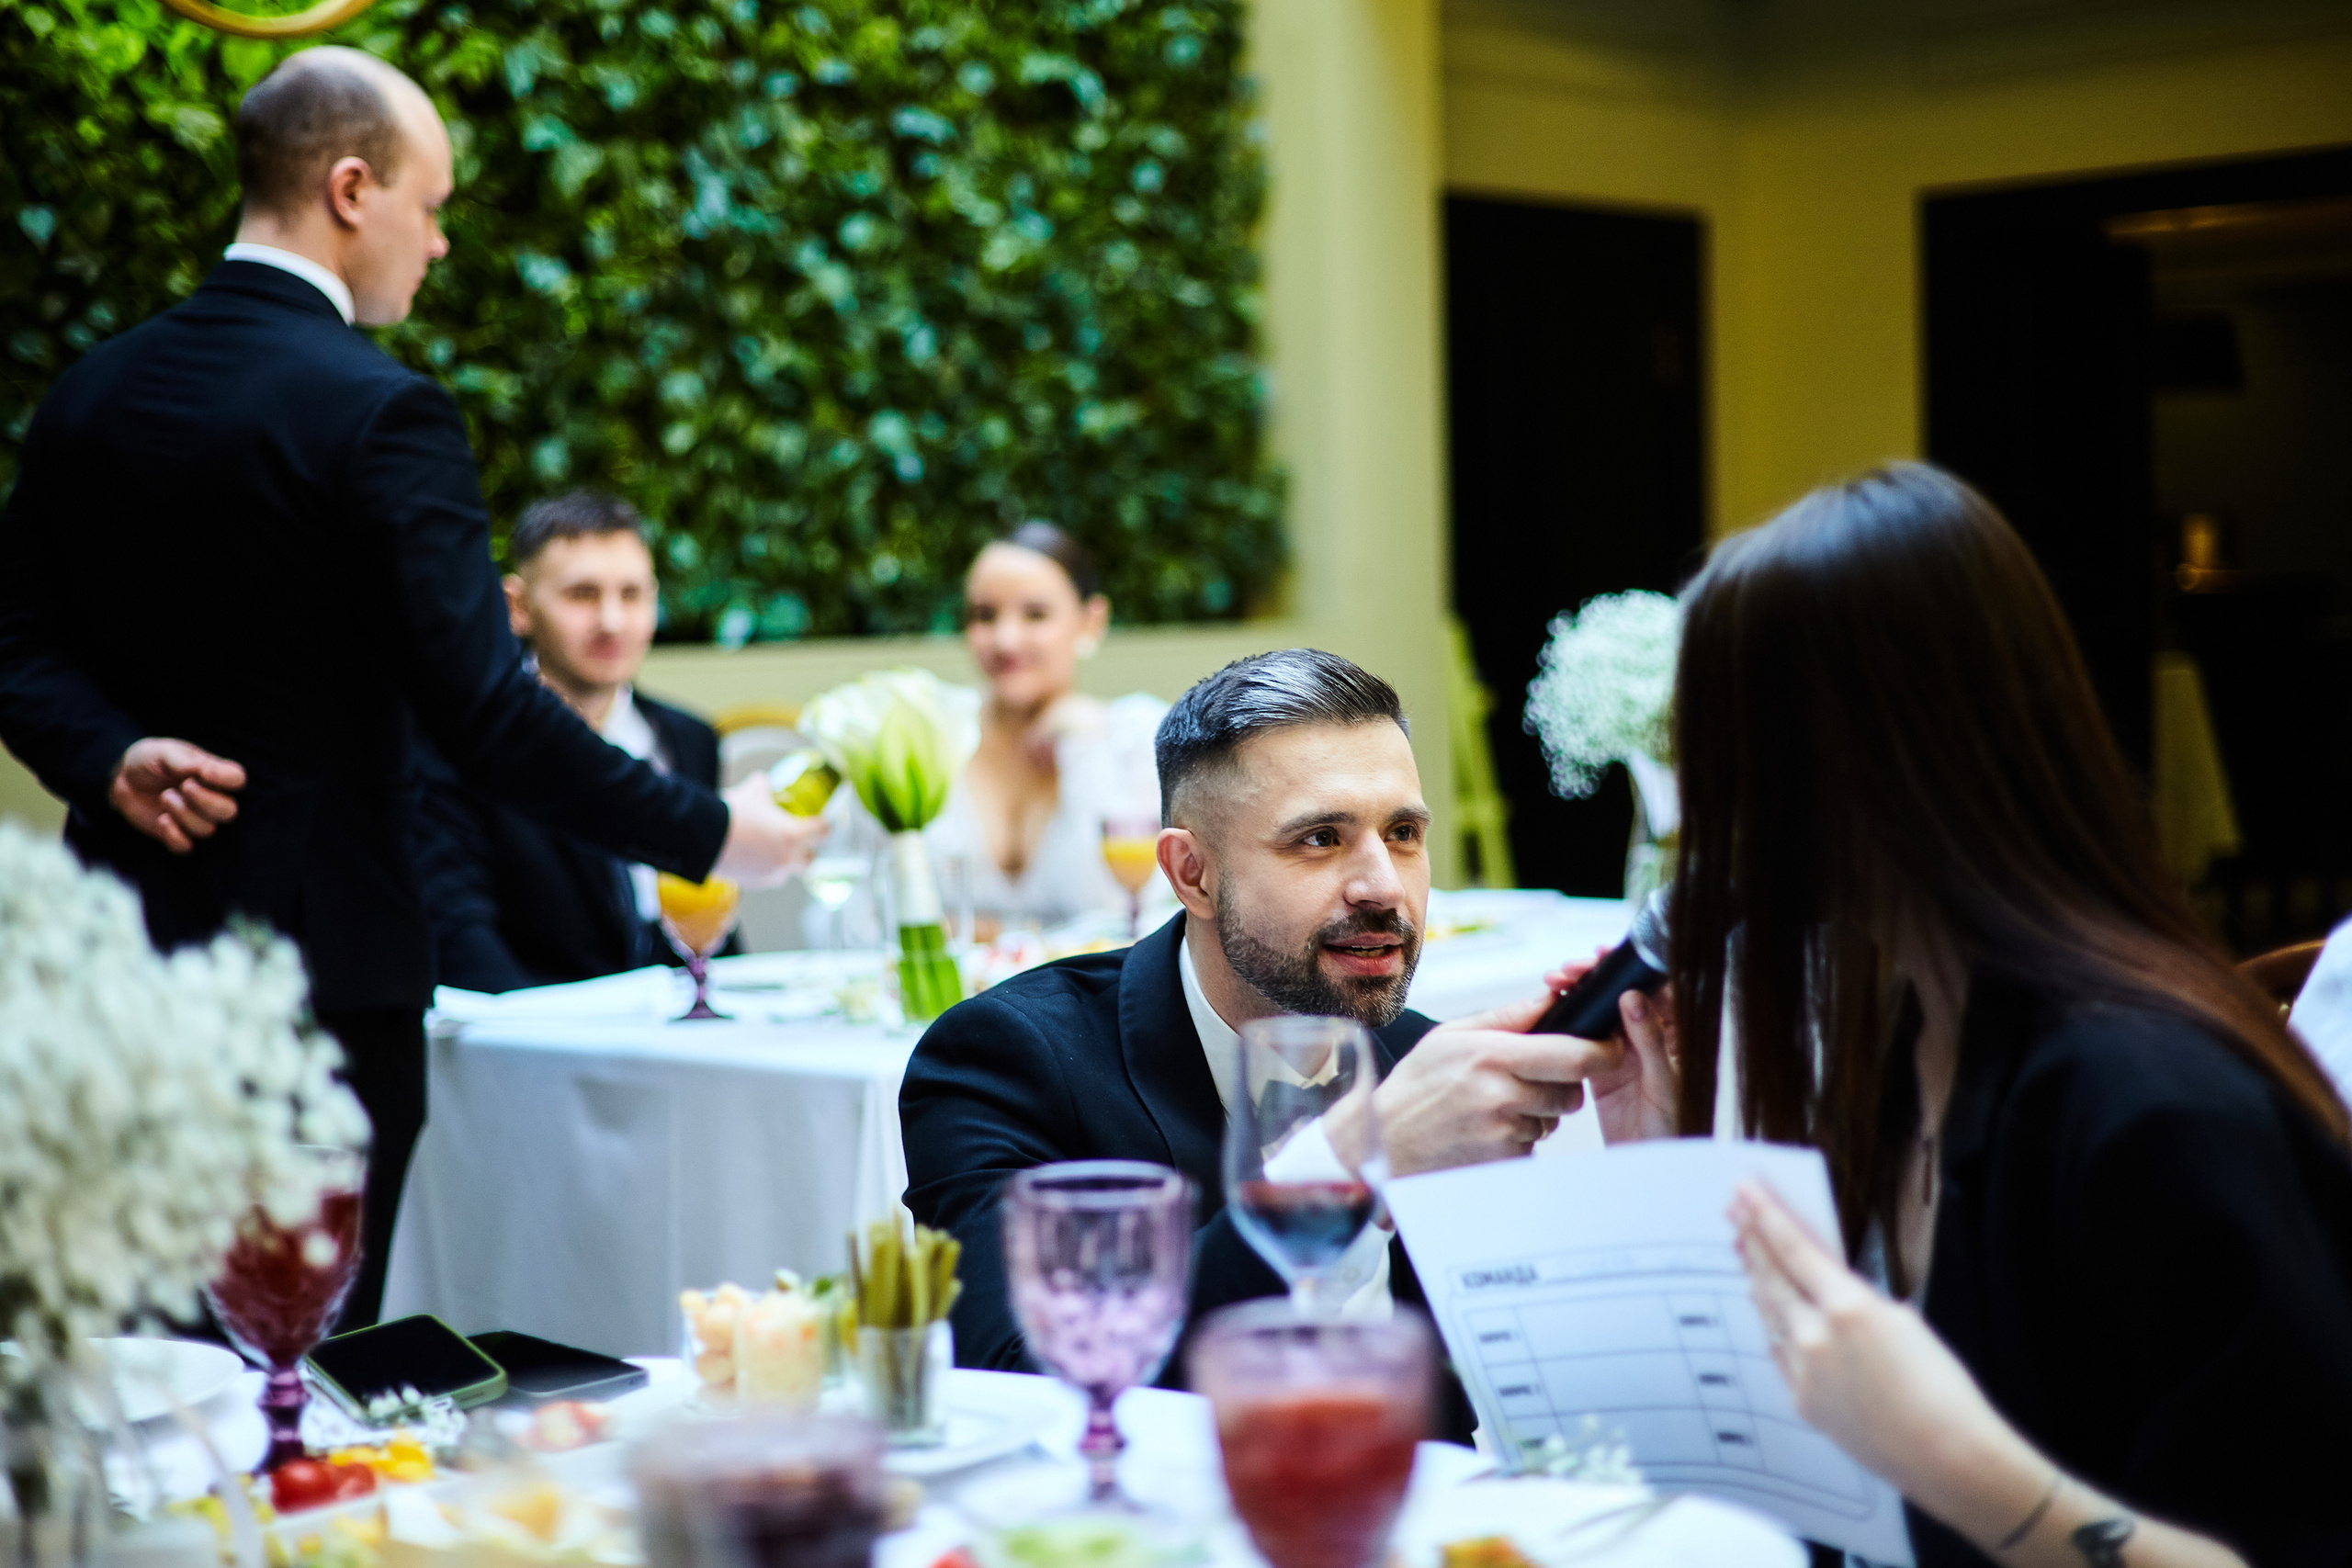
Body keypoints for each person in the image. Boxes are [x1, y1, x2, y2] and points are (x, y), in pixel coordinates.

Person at [0, 49, 820, 1327]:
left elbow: (15, 642)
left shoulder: (85, 395)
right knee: (294, 1357)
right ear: (349, 189)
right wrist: (715, 829)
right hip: (320, 982)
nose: (436, 246)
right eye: (429, 208)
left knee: (137, 1359)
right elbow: (487, 712)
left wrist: (106, 753)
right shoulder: (382, 412)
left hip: (116, 965)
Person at [1586, 464, 2352, 1566]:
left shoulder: (2149, 1105)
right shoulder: (1905, 1032)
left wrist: (1957, 1463)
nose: (1707, 819)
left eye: (1730, 753)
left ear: (1868, 760)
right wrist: (1672, 1190)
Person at [899, 649, 1607, 1409]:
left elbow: (1544, 1399)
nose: (1383, 885)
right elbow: (1023, 1385)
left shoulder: (1421, 1065)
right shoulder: (1007, 1062)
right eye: (1319, 839)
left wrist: (1656, 1140)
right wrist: (1356, 1159)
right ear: (1191, 874)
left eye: (1402, 832)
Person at [413, 490, 736, 991]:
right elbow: (460, 937)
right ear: (516, 606)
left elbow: (716, 930)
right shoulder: (460, 747)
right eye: (582, 594)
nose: (612, 622)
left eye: (632, 594)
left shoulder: (689, 738)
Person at [823, 524, 1168, 936]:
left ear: (1091, 622)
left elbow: (1132, 920)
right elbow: (848, 918)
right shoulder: (918, 738)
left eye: (1035, 614)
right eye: (984, 616)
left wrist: (1085, 745)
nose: (1006, 640)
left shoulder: (1142, 738)